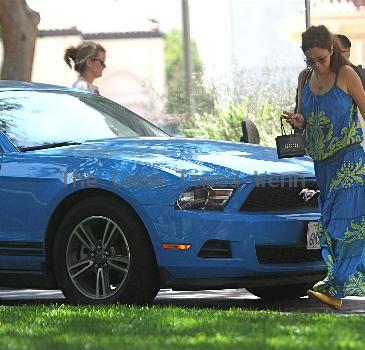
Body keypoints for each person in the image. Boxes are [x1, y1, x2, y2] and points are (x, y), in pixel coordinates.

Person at [283, 25, 365, 310]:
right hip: (322, 165)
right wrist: (298, 121)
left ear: (331, 50)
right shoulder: (304, 78)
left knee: (347, 225)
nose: (317, 65)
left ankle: (336, 289)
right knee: (331, 226)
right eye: (310, 60)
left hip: (350, 160)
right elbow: (305, 117)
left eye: (321, 59)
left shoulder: (347, 75)